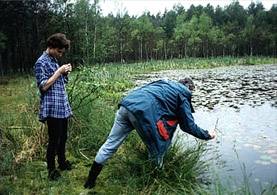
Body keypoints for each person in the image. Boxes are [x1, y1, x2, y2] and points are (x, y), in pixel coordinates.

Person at [84, 78, 216, 189]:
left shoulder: (164, 83)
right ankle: (155, 182)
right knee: (157, 149)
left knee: (110, 144)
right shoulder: (183, 94)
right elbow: (189, 126)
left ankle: (90, 182)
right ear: (190, 89)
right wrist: (207, 134)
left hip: (126, 105)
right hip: (142, 112)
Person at [34, 33, 73, 180]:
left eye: (62, 52)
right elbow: (43, 86)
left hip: (62, 105)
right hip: (51, 107)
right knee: (54, 140)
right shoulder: (40, 62)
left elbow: (60, 82)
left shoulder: (54, 60)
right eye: (59, 51)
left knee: (63, 137)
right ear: (51, 47)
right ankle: (51, 170)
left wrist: (65, 73)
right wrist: (59, 71)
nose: (60, 55)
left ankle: (62, 163)